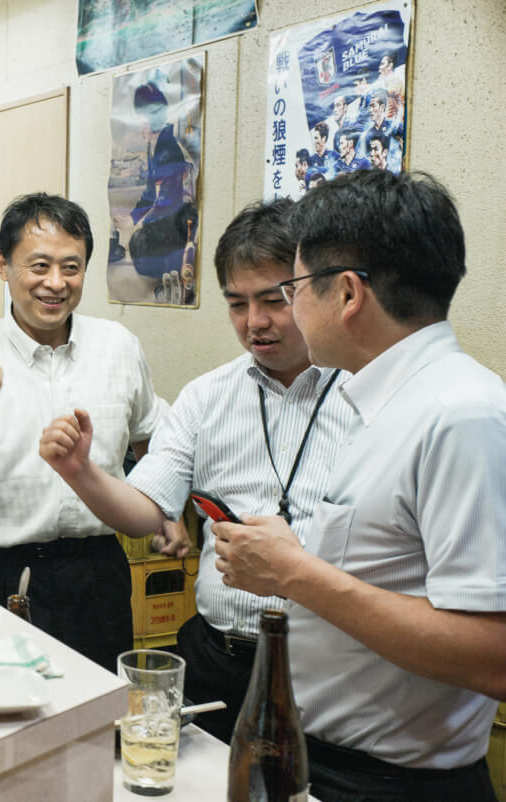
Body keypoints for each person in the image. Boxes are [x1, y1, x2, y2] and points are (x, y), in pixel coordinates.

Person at [214, 170, 506, 801]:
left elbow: (494, 654)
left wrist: (293, 572)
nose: (281, 312)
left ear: (346, 293)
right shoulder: (375, 397)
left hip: (393, 783)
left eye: (291, 289)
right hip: (321, 759)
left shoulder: (462, 415)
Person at [37, 200, 352, 740]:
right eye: (237, 304)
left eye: (274, 300)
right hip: (216, 658)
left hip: (329, 665)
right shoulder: (208, 396)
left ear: (318, 289)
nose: (255, 322)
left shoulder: (363, 392)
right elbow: (145, 513)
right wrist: (80, 472)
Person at [0, 193, 162, 669]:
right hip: (1, 571)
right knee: (5, 724)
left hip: (99, 571)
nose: (55, 283)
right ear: (3, 265)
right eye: (39, 265)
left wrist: (162, 515)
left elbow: (150, 441)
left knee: (96, 719)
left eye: (72, 267)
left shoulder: (118, 348)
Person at [118, 82, 199, 282]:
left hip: (178, 221)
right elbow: (149, 193)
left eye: (145, 120)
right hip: (163, 219)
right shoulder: (152, 146)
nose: (141, 128)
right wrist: (132, 217)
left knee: (141, 252)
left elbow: (166, 201)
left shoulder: (168, 147)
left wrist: (139, 223)